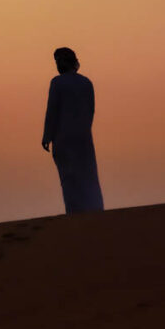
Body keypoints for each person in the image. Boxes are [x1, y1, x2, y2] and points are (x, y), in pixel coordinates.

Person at [41, 47, 104, 214]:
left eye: (58, 60)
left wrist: (47, 135)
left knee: (70, 177)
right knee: (86, 175)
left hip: (65, 139)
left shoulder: (57, 83)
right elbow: (91, 111)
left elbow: (52, 111)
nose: (57, 64)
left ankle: (75, 212)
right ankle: (92, 210)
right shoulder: (86, 82)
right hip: (83, 138)